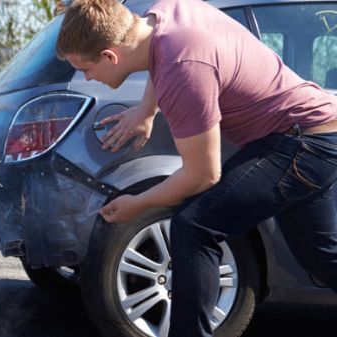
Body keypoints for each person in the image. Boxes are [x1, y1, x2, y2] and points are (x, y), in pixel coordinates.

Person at [56, 0, 337, 335]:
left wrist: (138, 204)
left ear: (110, 56)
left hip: (302, 143)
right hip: (315, 133)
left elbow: (203, 175)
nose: (87, 77)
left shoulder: (183, 68)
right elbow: (160, 54)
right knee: (323, 258)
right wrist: (147, 109)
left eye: (85, 69)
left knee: (194, 226)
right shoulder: (163, 15)